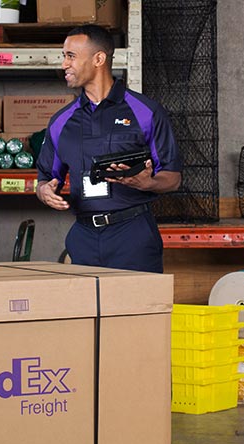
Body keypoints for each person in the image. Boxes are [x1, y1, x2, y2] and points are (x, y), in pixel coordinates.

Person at [36, 24, 182, 273]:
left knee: (137, 310)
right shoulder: (61, 121)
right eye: (64, 56)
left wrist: (148, 183)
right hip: (83, 237)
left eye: (71, 56)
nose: (64, 65)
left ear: (98, 59)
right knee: (85, 312)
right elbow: (45, 178)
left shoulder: (145, 112)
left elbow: (174, 178)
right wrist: (43, 191)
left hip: (133, 235)